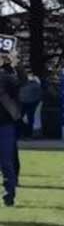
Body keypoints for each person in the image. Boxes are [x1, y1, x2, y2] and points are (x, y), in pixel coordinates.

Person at [0, 58, 20, 207]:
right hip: (6, 125)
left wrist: (14, 64)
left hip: (4, 124)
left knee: (7, 162)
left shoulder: (7, 77)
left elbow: (22, 85)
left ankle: (9, 193)